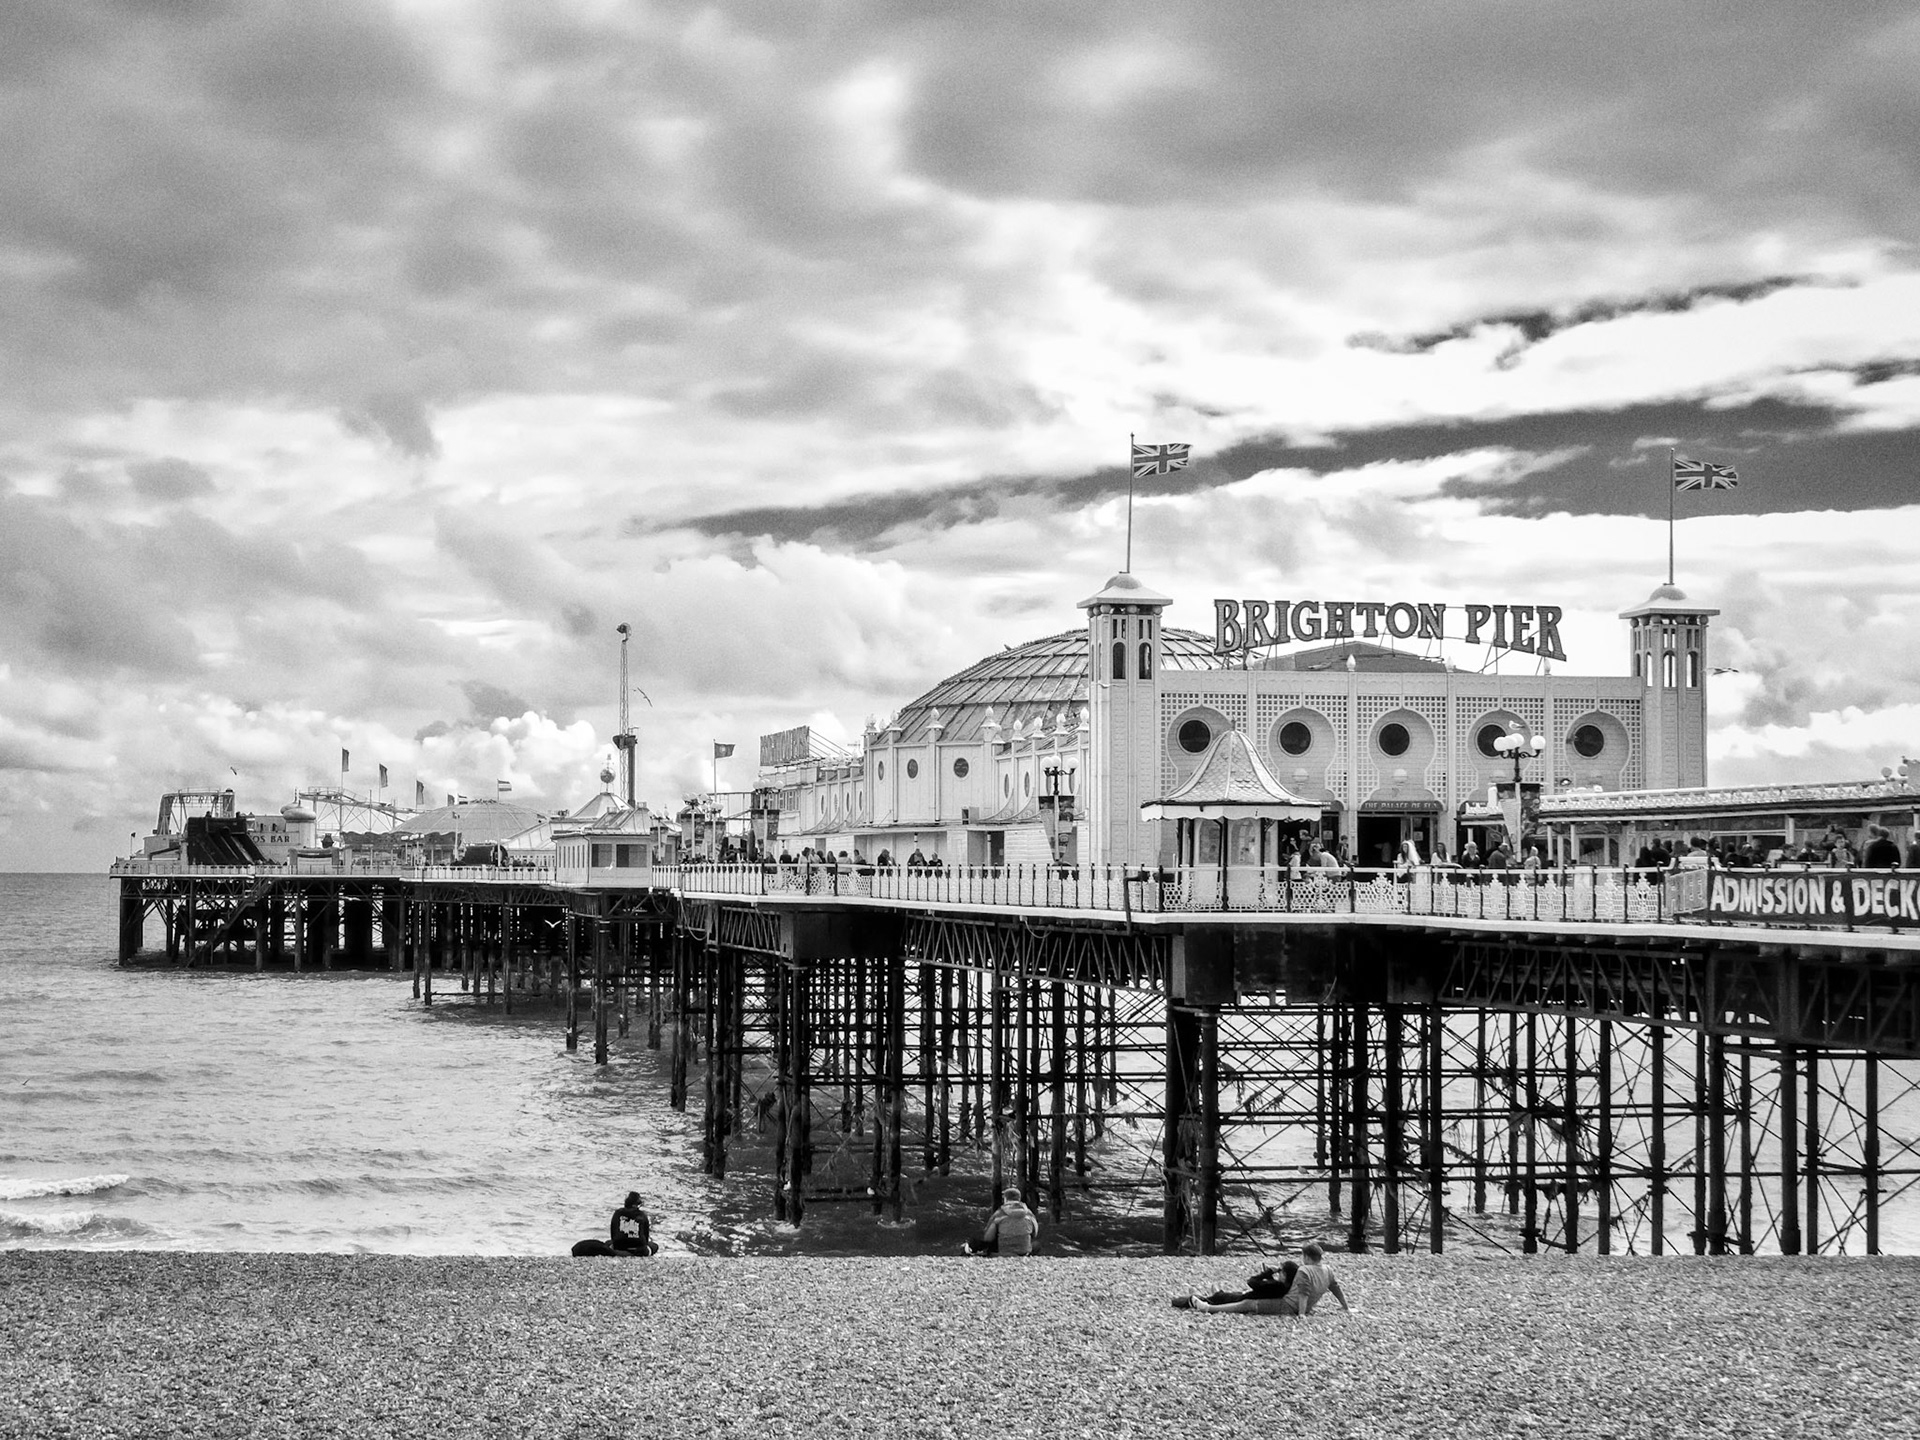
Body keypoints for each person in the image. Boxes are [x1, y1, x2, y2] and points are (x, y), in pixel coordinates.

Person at [1185, 1241, 1349, 1316]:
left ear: (1307, 1257)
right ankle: (1212, 1298)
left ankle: (1208, 1308)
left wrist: (1301, 1315)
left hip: (1288, 1306)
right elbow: (1335, 1288)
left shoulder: (1304, 1270)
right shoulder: (1328, 1270)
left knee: (1247, 1304)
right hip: (1301, 1307)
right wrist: (1345, 1307)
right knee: (1242, 1297)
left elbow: (1303, 1293)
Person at [1171, 1259, 1298, 1313]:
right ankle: (1212, 1292)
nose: (1278, 1272)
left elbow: (1252, 1282)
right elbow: (1266, 1287)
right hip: (1247, 1296)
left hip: (1243, 1299)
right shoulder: (1283, 1288)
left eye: (1280, 1271)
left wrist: (1268, 1272)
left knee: (1218, 1299)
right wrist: (1270, 1276)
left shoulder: (1277, 1287)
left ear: (1285, 1275)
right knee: (1223, 1295)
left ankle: (1189, 1297)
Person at [570, 1191, 658, 1257]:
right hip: (639, 1249)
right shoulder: (642, 1215)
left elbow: (613, 1233)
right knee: (654, 1245)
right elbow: (645, 1237)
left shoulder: (618, 1213)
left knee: (608, 1242)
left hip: (619, 1247)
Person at [962, 1187, 1040, 1256]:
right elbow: (1035, 1233)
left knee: (977, 1242)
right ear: (1019, 1198)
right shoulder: (1029, 1213)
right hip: (1024, 1250)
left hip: (1004, 1251)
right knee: (1036, 1244)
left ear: (1005, 1199)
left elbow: (988, 1238)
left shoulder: (1000, 1213)